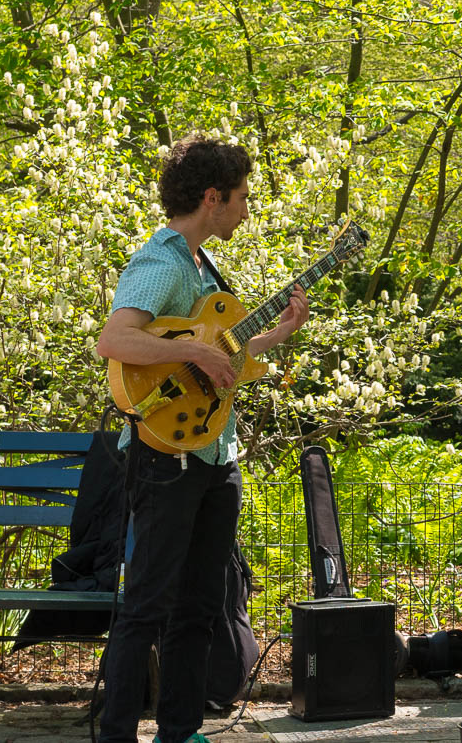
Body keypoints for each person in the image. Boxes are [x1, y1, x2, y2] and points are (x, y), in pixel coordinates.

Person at [96, 136, 310, 743]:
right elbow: (115, 342)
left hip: (217, 454)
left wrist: (281, 332)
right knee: (146, 605)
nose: (246, 209)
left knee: (199, 608)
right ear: (212, 197)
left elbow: (221, 363)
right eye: (241, 198)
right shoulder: (160, 262)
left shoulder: (201, 266)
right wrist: (190, 348)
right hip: (165, 459)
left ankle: (179, 732)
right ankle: (116, 734)